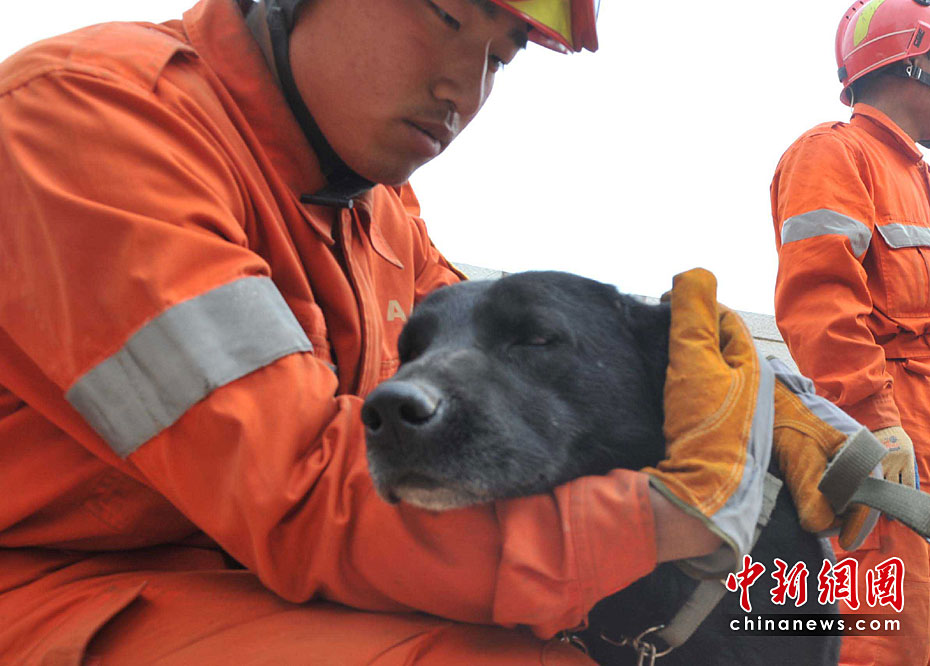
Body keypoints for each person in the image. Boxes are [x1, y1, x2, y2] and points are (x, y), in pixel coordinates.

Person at [0, 0, 806, 663]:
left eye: (500, 60)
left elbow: (496, 356)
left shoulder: (374, 206)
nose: (464, 87)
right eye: (447, 17)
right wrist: (663, 516)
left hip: (236, 568)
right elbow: (302, 491)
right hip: (59, 586)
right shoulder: (92, 118)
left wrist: (766, 412)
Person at [770, 0, 930, 663]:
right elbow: (820, 301)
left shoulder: (919, 179)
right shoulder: (834, 153)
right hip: (888, 449)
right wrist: (875, 425)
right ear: (915, 64)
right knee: (886, 639)